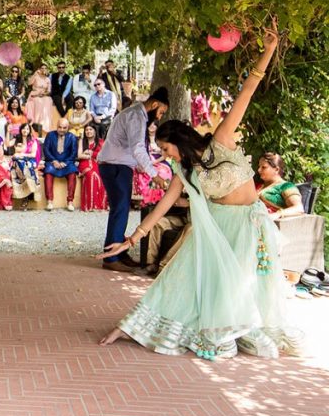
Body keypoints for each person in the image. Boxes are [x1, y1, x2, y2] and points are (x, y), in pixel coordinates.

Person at [99, 24, 301, 360]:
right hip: (217, 226)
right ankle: (133, 325)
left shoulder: (220, 141)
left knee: (250, 283)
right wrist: (131, 238)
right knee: (182, 272)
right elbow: (164, 204)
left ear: (178, 141)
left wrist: (268, 51)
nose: (164, 156)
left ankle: (241, 328)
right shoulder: (183, 171)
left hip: (250, 223)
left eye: (165, 149)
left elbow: (248, 91)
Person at [96, 87, 170, 272]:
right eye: (160, 112)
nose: (159, 117)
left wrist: (149, 165)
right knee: (120, 209)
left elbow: (135, 150)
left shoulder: (136, 114)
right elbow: (138, 149)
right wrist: (155, 174)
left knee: (121, 209)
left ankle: (118, 252)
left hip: (118, 165)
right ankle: (112, 257)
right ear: (154, 104)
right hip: (116, 166)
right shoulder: (136, 116)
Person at [41, 118, 80, 211]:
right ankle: (49, 201)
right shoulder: (50, 135)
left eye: (64, 128)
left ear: (68, 127)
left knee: (72, 174)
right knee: (48, 173)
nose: (62, 130)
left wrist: (65, 162)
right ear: (57, 126)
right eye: (60, 127)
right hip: (52, 161)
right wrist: (54, 160)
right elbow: (46, 150)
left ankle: (70, 202)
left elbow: (74, 153)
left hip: (67, 162)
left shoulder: (72, 137)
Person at [132, 122, 172, 208]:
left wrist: (153, 163)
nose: (151, 127)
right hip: (146, 162)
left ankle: (159, 197)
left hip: (159, 161)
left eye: (154, 125)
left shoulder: (160, 140)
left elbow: (164, 155)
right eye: (150, 125)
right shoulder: (144, 140)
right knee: (142, 172)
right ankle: (145, 198)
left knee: (162, 172)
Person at [256, 153, 304, 220]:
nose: (259, 170)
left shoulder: (286, 186)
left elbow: (298, 208)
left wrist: (278, 214)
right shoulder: (259, 186)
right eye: (259, 167)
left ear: (276, 169)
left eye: (263, 167)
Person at [77, 124, 108, 212]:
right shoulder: (82, 141)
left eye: (90, 129)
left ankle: (99, 204)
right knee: (91, 174)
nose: (88, 131)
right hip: (84, 163)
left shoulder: (101, 142)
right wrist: (88, 156)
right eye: (86, 130)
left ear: (95, 131)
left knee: (99, 176)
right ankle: (90, 205)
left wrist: (90, 152)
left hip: (96, 163)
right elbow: (79, 155)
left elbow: (103, 156)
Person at [11, 122, 42, 204]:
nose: (25, 130)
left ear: (29, 131)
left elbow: (33, 155)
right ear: (21, 130)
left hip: (30, 160)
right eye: (24, 128)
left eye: (27, 129)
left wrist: (22, 155)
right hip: (19, 160)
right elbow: (8, 144)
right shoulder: (17, 140)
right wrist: (7, 132)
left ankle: (28, 195)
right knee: (16, 166)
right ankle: (23, 195)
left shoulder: (33, 141)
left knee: (26, 166)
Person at [24, 63, 54, 132]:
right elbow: (29, 83)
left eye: (45, 68)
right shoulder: (36, 76)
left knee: (49, 100)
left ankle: (44, 125)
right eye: (42, 68)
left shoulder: (47, 79)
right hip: (35, 94)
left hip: (43, 95)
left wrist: (44, 94)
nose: (43, 70)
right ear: (39, 69)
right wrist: (35, 74)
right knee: (38, 101)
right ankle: (36, 123)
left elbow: (49, 91)